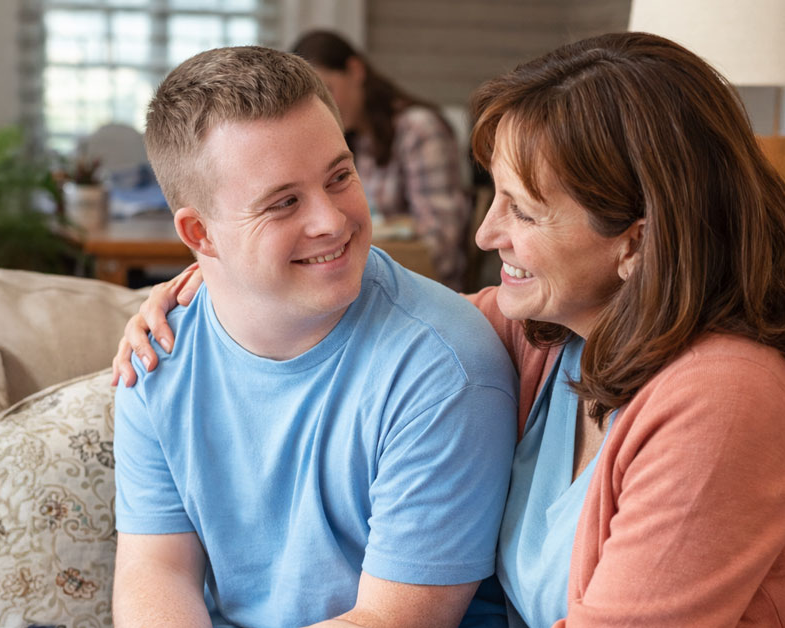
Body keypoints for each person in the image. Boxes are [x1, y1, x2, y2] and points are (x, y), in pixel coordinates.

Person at [114, 33, 785, 627]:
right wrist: (204, 282)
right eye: (493, 195)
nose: (484, 235)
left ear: (637, 237)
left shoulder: (724, 402)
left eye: (523, 208)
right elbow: (353, 315)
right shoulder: (545, 338)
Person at [111, 45, 518, 626]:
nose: (331, 220)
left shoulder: (444, 370)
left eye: (340, 176)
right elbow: (157, 573)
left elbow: (392, 620)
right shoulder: (156, 356)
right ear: (201, 232)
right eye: (283, 203)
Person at [292, 30, 472, 289]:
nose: (321, 106)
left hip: (419, 287)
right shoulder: (350, 140)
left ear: (355, 70)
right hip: (364, 282)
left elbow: (442, 245)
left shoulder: (418, 129)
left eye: (328, 89)